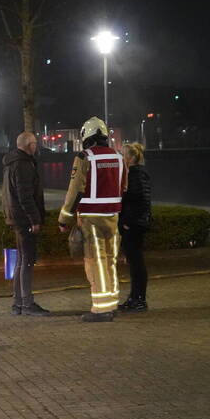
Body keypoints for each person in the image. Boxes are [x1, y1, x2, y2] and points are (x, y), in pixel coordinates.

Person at [58, 117, 127, 323]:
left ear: (86, 136)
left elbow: (75, 191)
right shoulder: (119, 156)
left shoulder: (84, 157)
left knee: (96, 263)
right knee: (110, 261)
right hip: (113, 217)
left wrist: (64, 218)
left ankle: (101, 309)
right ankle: (112, 303)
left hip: (91, 218)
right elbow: (124, 187)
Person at [2, 131, 49, 316]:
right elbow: (25, 195)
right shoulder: (23, 165)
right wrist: (34, 219)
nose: (36, 146)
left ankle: (18, 303)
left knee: (21, 260)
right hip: (24, 219)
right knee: (27, 260)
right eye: (35, 143)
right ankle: (27, 303)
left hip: (15, 217)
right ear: (29, 145)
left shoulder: (11, 163)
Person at [118, 142, 151, 312]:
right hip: (136, 223)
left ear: (130, 157)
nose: (120, 157)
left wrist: (128, 221)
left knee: (136, 262)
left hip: (133, 225)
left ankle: (138, 299)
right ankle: (135, 297)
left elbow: (140, 200)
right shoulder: (136, 174)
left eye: (122, 154)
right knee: (134, 262)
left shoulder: (135, 175)